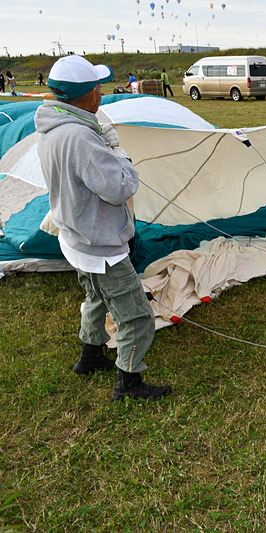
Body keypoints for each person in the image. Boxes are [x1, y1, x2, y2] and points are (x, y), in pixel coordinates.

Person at [35, 55, 170, 401]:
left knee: (95, 296)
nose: (101, 91)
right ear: (89, 94)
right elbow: (120, 188)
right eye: (97, 86)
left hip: (75, 238)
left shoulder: (52, 127)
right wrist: (120, 154)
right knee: (137, 316)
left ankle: (90, 355)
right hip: (100, 246)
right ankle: (128, 382)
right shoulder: (81, 138)